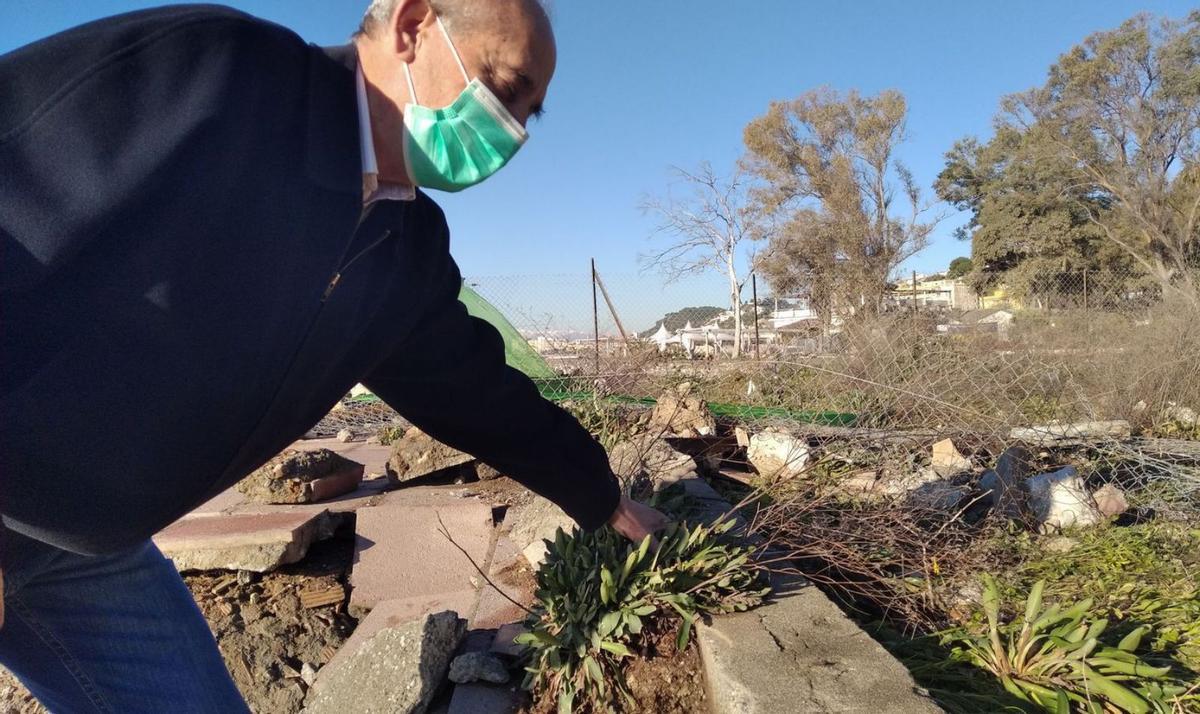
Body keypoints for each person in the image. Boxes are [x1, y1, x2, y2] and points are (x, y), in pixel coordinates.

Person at [0, 0, 669, 710]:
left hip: (88, 548)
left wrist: (604, 499)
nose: (510, 134)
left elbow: (476, 393)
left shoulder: (401, 247)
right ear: (413, 26)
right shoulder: (218, 74)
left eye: (527, 115)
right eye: (503, 89)